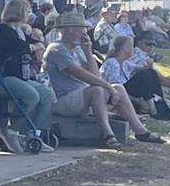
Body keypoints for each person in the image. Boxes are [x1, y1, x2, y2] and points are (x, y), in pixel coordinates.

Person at [46, 11, 163, 148]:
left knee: (117, 86)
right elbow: (80, 74)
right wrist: (108, 87)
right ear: (70, 30)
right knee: (98, 89)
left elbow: (94, 76)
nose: (85, 32)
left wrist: (88, 52)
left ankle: (140, 131)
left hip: (82, 95)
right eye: (81, 28)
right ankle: (108, 135)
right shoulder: (57, 50)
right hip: (63, 100)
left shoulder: (78, 49)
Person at [100, 35, 170, 119]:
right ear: (123, 48)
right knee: (146, 75)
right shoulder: (112, 63)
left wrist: (149, 65)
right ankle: (152, 108)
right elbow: (115, 88)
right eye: (130, 46)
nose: (133, 49)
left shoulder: (124, 63)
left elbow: (140, 68)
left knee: (150, 72)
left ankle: (158, 103)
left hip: (126, 92)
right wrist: (139, 101)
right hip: (115, 95)